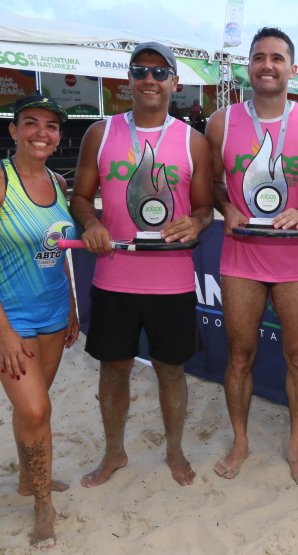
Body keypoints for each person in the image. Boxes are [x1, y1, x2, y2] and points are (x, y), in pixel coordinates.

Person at [70, 41, 213, 488]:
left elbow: (207, 208)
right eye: (140, 71)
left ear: (175, 81)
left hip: (171, 282)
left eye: (159, 71)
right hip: (114, 277)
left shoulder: (193, 142)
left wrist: (195, 223)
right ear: (128, 80)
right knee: (113, 369)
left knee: (172, 370)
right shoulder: (101, 132)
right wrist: (90, 221)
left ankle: (174, 452)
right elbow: (79, 197)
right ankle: (114, 454)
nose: (149, 79)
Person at [206, 27, 298, 485]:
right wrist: (227, 208)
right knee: (239, 355)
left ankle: (295, 447)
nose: (267, 65)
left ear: (292, 69)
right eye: (259, 57)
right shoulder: (221, 122)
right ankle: (240, 442)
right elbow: (215, 185)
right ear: (248, 65)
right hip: (241, 258)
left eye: (277, 58)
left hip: (297, 261)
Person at [0, 95, 77, 548]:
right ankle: (42, 503)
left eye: (51, 126)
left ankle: (30, 478)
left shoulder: (58, 183)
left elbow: (61, 252)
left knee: (33, 406)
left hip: (52, 310)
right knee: (35, 409)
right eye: (31, 123)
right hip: (5, 315)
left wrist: (71, 305)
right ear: (13, 130)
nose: (41, 133)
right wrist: (5, 331)